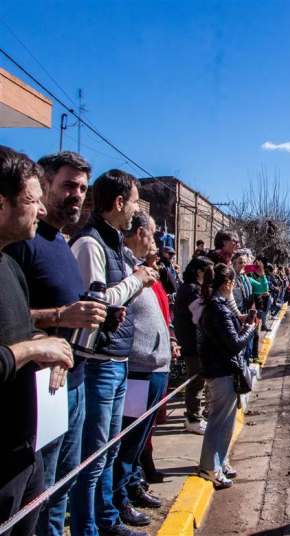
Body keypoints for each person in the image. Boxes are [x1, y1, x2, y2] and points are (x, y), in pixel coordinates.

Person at [4, 151, 109, 536]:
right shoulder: (20, 242)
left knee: (62, 485)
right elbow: (13, 317)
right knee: (37, 498)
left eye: (82, 188)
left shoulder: (61, 241)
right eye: (68, 185)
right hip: (35, 391)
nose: (76, 195)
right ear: (43, 183)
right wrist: (60, 318)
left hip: (72, 379)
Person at [70, 169, 158, 536]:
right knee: (92, 457)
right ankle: (89, 526)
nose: (136, 209)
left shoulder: (113, 246)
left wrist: (134, 284)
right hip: (97, 365)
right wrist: (135, 281)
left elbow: (116, 299)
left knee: (108, 450)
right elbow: (96, 302)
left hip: (117, 362)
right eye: (135, 200)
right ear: (119, 203)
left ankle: (106, 518)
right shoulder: (90, 244)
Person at [0, 146, 75, 536]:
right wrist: (34, 347)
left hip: (26, 452)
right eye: (31, 200)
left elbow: (14, 330)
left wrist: (47, 348)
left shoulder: (9, 266)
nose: (42, 210)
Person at [112, 213, 175, 527]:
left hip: (156, 367)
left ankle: (134, 484)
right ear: (138, 233)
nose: (156, 242)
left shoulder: (143, 270)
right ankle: (119, 498)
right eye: (152, 235)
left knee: (141, 436)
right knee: (129, 437)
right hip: (138, 370)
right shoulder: (125, 270)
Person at [196, 264, 257, 489]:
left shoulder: (216, 307)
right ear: (228, 284)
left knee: (225, 422)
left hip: (222, 370)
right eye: (233, 283)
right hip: (221, 371)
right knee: (219, 422)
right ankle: (211, 467)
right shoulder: (218, 309)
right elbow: (234, 344)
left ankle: (220, 462)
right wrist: (250, 328)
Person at [174, 256, 214, 434]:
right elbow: (201, 313)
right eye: (209, 271)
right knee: (196, 382)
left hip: (195, 341)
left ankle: (195, 415)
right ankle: (193, 418)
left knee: (199, 380)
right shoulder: (191, 290)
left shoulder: (194, 288)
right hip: (192, 342)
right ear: (199, 272)